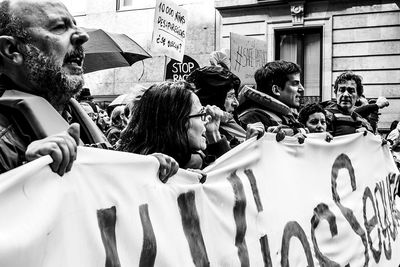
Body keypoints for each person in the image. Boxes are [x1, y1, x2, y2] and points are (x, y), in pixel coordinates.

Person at [0, 0, 177, 181]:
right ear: (12, 49)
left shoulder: (73, 117)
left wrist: (142, 169)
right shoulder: (4, 143)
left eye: (76, 26)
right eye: (59, 27)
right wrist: (26, 175)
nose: (83, 36)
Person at [118, 81, 262, 170]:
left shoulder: (193, 163)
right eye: (201, 115)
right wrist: (149, 167)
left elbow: (229, 181)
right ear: (176, 122)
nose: (206, 121)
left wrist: (214, 135)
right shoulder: (137, 170)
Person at [236, 60, 306, 139]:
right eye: (295, 83)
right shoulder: (250, 119)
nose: (302, 89)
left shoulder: (286, 116)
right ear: (276, 90)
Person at [323, 71, 373, 136]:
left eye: (351, 91)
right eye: (342, 90)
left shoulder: (363, 122)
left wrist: (366, 135)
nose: (346, 94)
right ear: (336, 94)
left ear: (358, 96)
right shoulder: (323, 118)